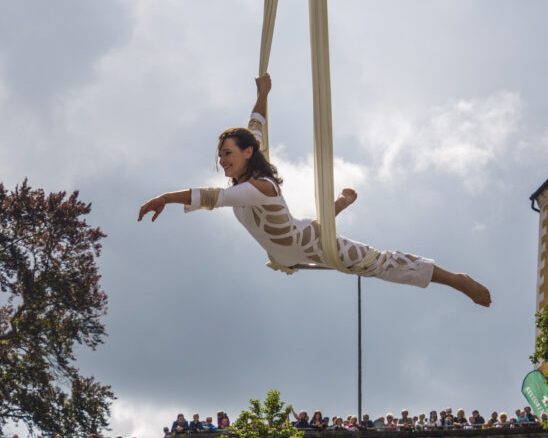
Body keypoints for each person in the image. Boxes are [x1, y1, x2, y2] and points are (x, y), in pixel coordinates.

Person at [139, 74, 491, 306]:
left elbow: (213, 197)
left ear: (247, 154)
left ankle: (456, 280)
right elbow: (255, 125)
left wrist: (165, 198)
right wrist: (263, 93)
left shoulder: (261, 188)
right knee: (304, 227)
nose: (223, 160)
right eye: (221, 155)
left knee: (377, 263)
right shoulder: (250, 156)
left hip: (307, 245)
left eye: (228, 154)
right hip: (285, 250)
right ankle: (336, 205)